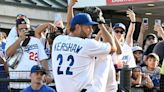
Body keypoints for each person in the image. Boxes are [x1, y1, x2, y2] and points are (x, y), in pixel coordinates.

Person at [52, 13, 116, 92]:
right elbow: (113, 48)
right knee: (106, 56)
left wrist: (70, 6)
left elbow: (69, 31)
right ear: (78, 27)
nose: (91, 30)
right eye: (88, 27)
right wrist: (102, 25)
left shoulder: (58, 40)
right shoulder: (87, 44)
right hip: (85, 90)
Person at [5, 14, 49, 90]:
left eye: (26, 29)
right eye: (21, 29)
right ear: (16, 29)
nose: (24, 31)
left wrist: (47, 74)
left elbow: (43, 60)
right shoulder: (12, 40)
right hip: (16, 84)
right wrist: (20, 39)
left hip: (32, 85)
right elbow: (8, 53)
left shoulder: (36, 41)